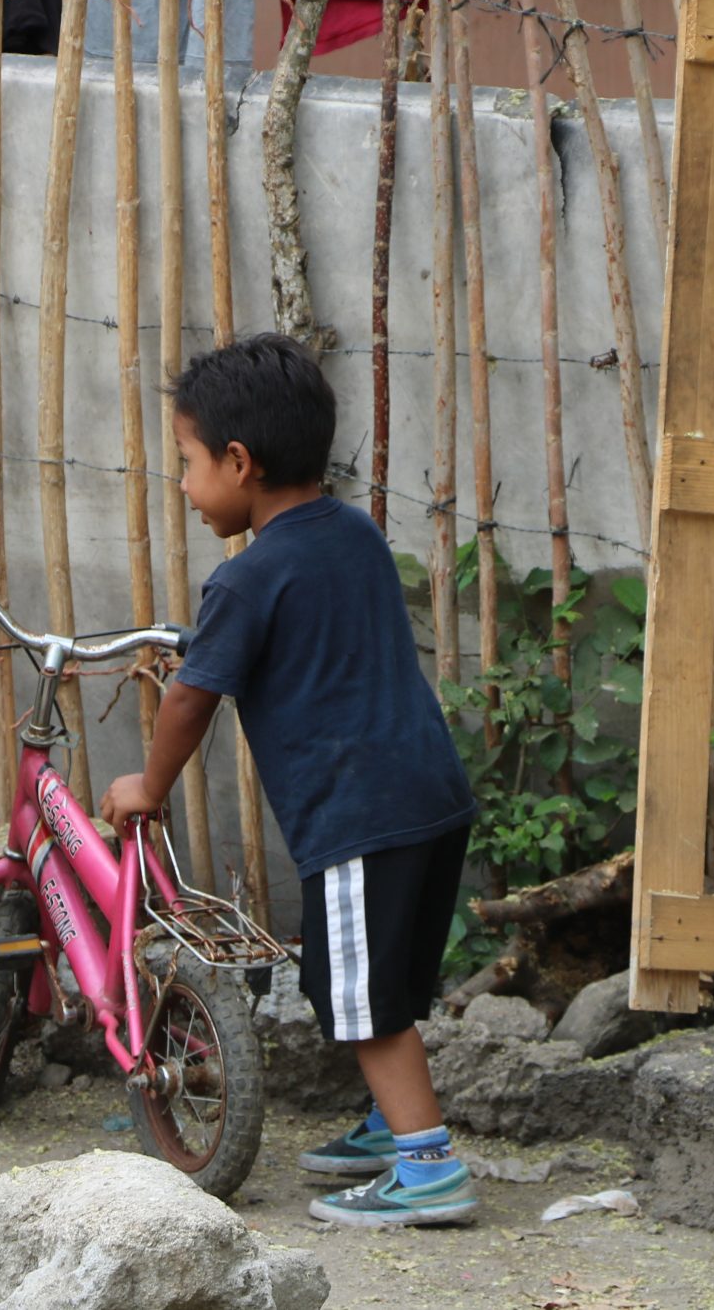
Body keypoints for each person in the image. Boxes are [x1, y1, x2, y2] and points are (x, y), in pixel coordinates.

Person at [101, 333, 481, 1227]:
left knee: (362, 1001)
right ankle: (394, 1126)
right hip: (430, 796)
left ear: (240, 460)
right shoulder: (352, 531)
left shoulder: (250, 576)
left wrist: (147, 786)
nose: (187, 486)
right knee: (379, 979)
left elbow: (193, 696)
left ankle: (428, 1170)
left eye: (189, 464)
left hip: (359, 813)